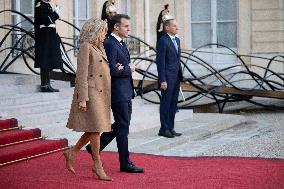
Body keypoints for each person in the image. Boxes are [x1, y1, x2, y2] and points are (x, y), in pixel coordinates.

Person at [86, 14, 144, 173]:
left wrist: (122, 68)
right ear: (116, 27)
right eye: (126, 26)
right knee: (123, 127)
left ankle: (94, 147)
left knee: (121, 125)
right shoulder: (110, 43)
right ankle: (125, 163)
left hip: (125, 91)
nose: (129, 29)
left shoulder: (120, 43)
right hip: (117, 93)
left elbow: (117, 67)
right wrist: (128, 68)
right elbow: (110, 70)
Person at [63, 18, 113, 181]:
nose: (105, 34)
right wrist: (82, 98)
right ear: (94, 32)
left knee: (95, 128)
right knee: (96, 128)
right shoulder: (86, 47)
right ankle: (97, 164)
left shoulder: (99, 47)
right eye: (103, 31)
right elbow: (81, 74)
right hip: (91, 94)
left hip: (101, 94)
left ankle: (73, 152)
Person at [156, 14, 183, 138]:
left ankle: (171, 127)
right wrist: (162, 80)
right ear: (167, 27)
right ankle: (163, 128)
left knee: (173, 104)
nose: (177, 28)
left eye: (177, 26)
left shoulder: (176, 39)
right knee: (166, 103)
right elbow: (160, 62)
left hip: (176, 77)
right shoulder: (163, 41)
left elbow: (177, 60)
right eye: (174, 26)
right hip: (167, 78)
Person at [34, 0, 62, 92]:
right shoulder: (39, 5)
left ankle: (48, 84)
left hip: (51, 35)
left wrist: (55, 14)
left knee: (51, 60)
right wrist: (55, 14)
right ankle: (44, 85)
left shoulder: (47, 5)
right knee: (45, 60)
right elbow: (45, 21)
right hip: (45, 35)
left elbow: (51, 21)